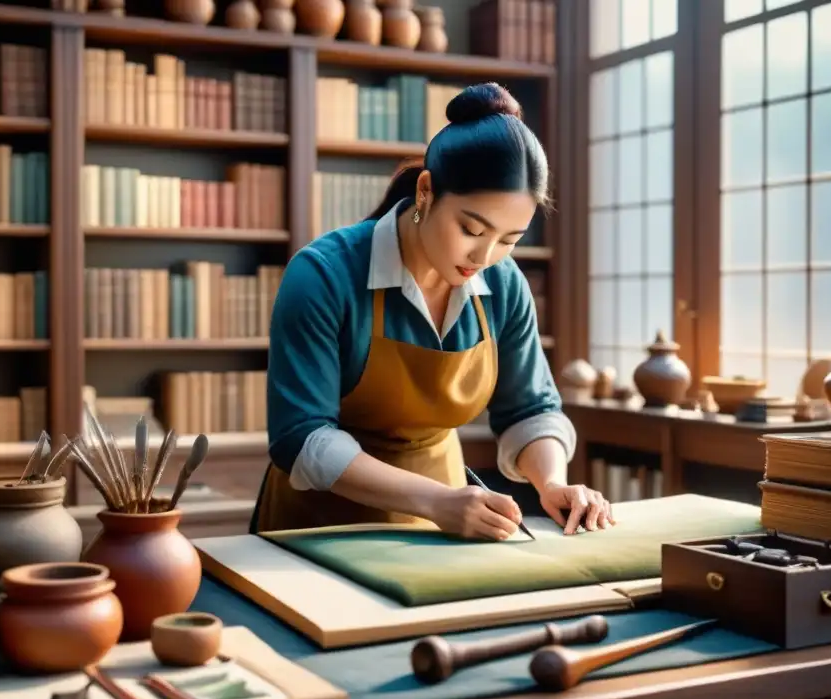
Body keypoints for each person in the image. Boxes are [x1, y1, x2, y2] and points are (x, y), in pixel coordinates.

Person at [254, 82, 613, 540]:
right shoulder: (324, 274)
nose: (485, 257)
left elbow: (529, 409)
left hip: (444, 528)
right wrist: (435, 500)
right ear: (426, 191)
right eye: (471, 228)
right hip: (318, 526)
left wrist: (552, 483)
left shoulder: (503, 285)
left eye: (509, 240)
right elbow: (301, 436)